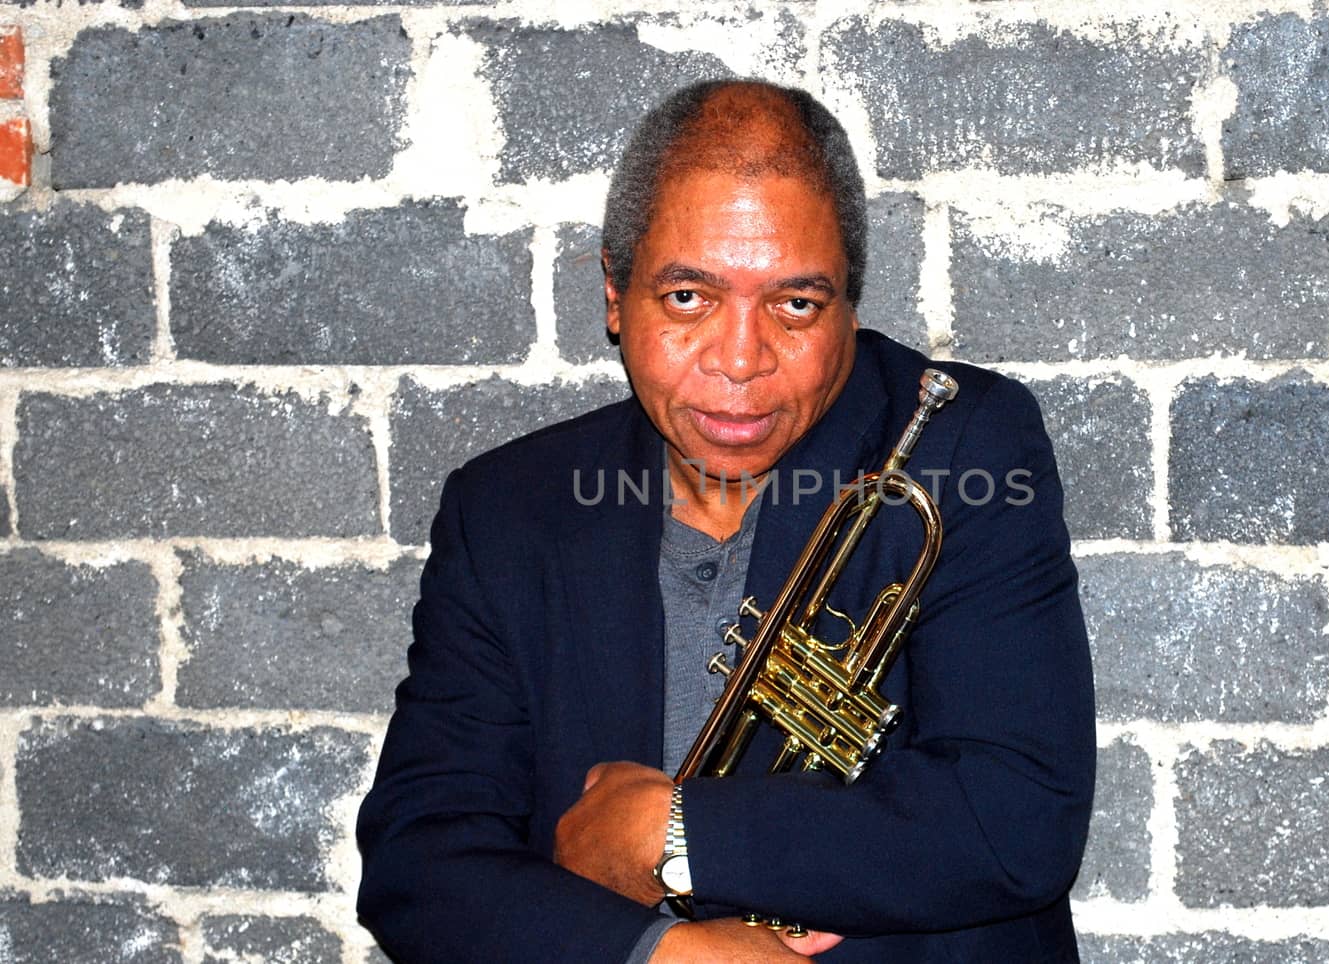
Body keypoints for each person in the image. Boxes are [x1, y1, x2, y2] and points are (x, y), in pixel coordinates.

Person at [356, 79, 1095, 962]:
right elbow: (420, 861)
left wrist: (671, 836)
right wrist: (662, 956)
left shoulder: (962, 442)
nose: (741, 361)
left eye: (795, 305)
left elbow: (1017, 820)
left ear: (849, 306)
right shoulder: (508, 509)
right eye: (687, 298)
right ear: (613, 294)